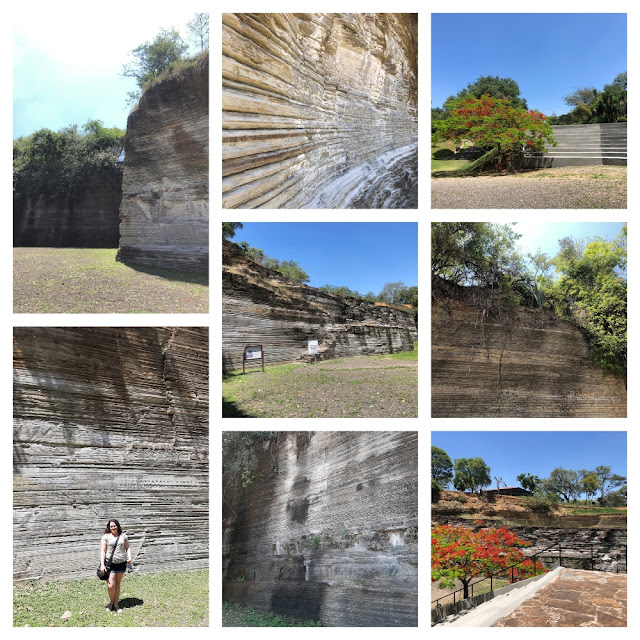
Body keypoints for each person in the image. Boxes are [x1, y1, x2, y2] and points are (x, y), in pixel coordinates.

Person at [99, 519, 132, 612]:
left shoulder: (123, 536)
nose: (113, 527)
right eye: (111, 526)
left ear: (117, 526)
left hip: (121, 563)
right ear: (109, 527)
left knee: (117, 584)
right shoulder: (106, 537)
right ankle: (110, 603)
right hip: (110, 564)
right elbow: (103, 551)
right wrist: (102, 565)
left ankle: (116, 604)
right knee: (110, 585)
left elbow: (127, 547)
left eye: (114, 526)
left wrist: (129, 557)